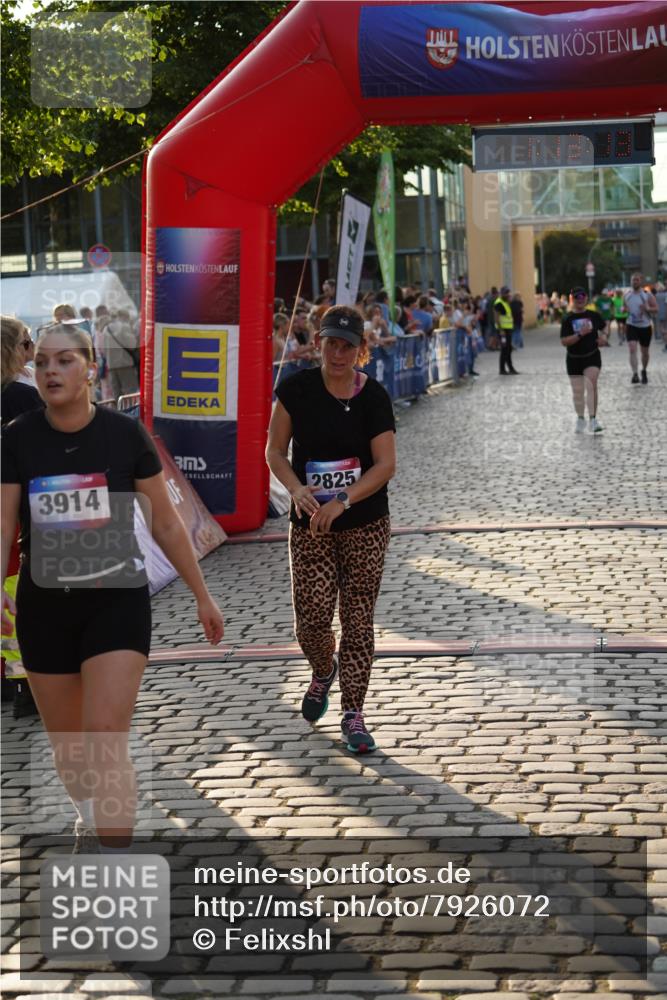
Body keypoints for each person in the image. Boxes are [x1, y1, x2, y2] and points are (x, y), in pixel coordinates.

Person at [1, 323, 224, 852]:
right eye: (44, 362)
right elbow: (3, 523)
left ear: (91, 370)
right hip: (44, 608)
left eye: (65, 361)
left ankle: (116, 856)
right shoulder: (17, 437)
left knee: (103, 730)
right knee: (69, 746)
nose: (51, 370)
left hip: (116, 603)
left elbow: (167, 522)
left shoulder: (124, 435)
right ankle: (88, 814)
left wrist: (202, 594)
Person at [266, 305, 396, 754]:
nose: (337, 353)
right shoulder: (296, 390)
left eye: (347, 346)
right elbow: (275, 452)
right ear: (317, 344)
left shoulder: (374, 397)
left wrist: (343, 499)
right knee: (312, 621)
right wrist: (297, 488)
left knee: (359, 619)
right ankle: (324, 669)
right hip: (310, 527)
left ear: (360, 350)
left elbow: (385, 465)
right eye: (330, 344)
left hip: (364, 523)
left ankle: (353, 712)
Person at [560, 287, 608, 434]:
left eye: (582, 296)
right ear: (572, 300)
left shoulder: (593, 315)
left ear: (586, 298)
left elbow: (604, 327)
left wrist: (604, 337)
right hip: (574, 359)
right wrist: (580, 334)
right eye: (576, 297)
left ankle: (593, 420)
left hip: (592, 355)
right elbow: (564, 341)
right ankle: (581, 419)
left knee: (591, 384)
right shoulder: (567, 318)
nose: (579, 299)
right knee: (578, 392)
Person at [623, 273, 657, 384]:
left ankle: (644, 371)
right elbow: (625, 307)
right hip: (631, 325)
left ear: (640, 281)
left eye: (637, 280)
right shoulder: (627, 295)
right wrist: (624, 309)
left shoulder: (647, 295)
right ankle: (635, 374)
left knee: (645, 352)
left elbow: (656, 308)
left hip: (645, 326)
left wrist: (648, 308)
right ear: (631, 281)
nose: (634, 282)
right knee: (632, 349)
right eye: (633, 280)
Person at [494, 286, 518, 374]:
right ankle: (502, 369)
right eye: (506, 293)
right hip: (502, 330)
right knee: (504, 349)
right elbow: (496, 317)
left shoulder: (506, 302)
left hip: (508, 329)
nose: (508, 294)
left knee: (508, 349)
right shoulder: (498, 303)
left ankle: (510, 368)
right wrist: (501, 330)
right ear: (502, 293)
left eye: (508, 293)